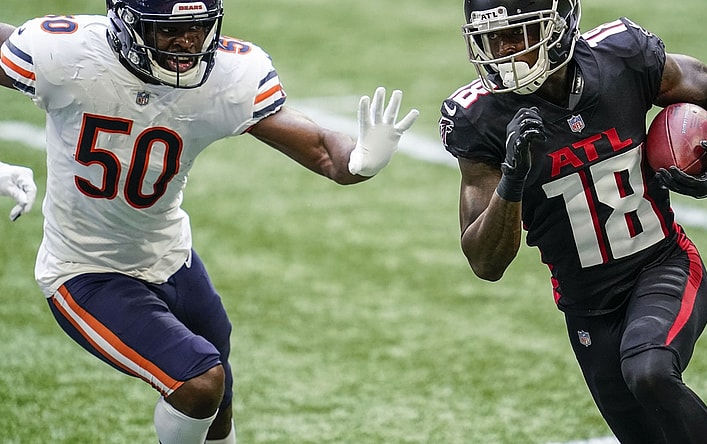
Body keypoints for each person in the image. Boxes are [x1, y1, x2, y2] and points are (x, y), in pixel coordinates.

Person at [0, 0, 418, 442]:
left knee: (219, 398)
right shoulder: (63, 54)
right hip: (84, 270)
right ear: (125, 23)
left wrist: (358, 161)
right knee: (199, 382)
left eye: (199, 27)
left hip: (171, 255)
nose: (189, 42)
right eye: (171, 30)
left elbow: (320, 150)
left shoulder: (226, 75)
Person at [439, 0, 707, 442]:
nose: (502, 51)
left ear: (559, 26)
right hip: (586, 308)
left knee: (649, 370)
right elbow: (486, 263)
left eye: (517, 35)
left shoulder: (622, 57)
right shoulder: (480, 119)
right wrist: (512, 180)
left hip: (661, 266)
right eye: (490, 38)